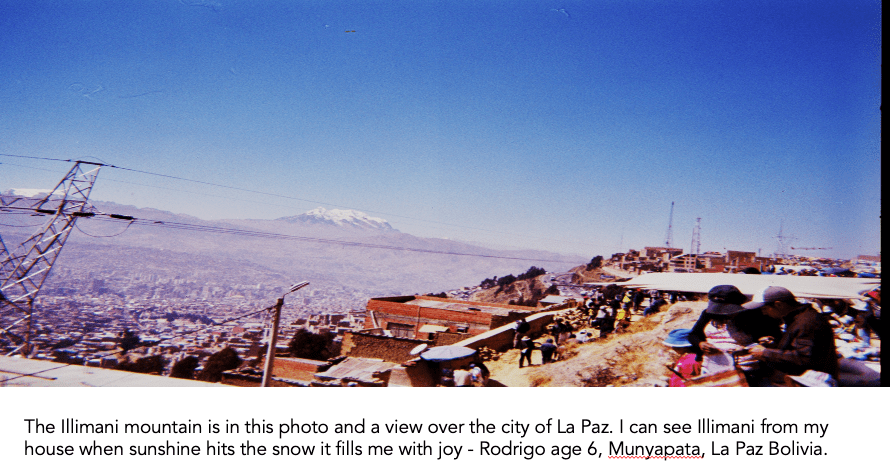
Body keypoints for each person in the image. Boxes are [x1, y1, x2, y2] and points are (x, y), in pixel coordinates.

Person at [744, 286, 839, 381]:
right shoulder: (799, 318)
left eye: (765, 309)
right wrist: (775, 344)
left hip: (813, 381)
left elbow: (804, 358)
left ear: (778, 305)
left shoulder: (806, 322)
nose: (764, 313)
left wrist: (765, 353)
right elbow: (800, 346)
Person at [687, 285, 782, 380]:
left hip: (746, 369)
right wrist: (700, 344)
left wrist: (765, 341)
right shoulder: (708, 314)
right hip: (712, 367)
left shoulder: (757, 314)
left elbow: (775, 337)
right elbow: (693, 334)